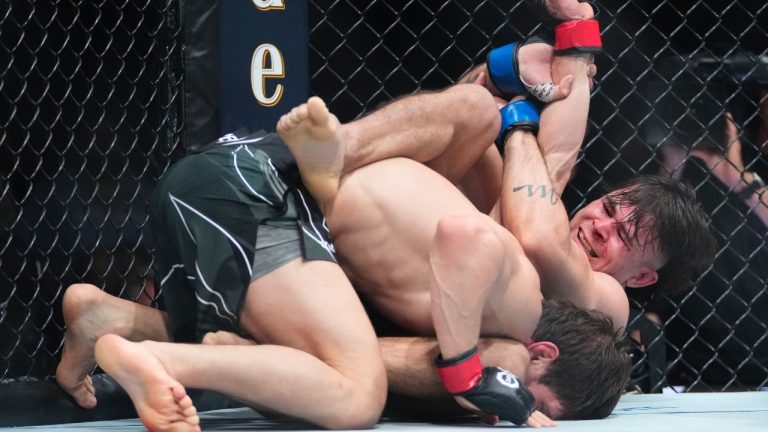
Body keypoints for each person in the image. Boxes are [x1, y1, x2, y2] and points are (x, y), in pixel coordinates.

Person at [645, 77, 768, 389]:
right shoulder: (660, 173)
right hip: (692, 365)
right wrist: (672, 165)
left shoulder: (755, 164)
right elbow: (644, 236)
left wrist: (737, 175)